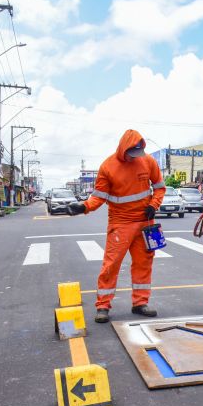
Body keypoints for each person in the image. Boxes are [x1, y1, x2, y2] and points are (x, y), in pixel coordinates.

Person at [67, 130, 165, 323]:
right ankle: (103, 306)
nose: (134, 157)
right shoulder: (108, 167)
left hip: (145, 223)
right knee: (111, 265)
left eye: (138, 153)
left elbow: (160, 187)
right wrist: (83, 207)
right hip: (120, 223)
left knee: (144, 264)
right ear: (123, 149)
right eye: (131, 153)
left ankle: (140, 303)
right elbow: (99, 197)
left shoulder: (148, 161)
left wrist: (154, 205)